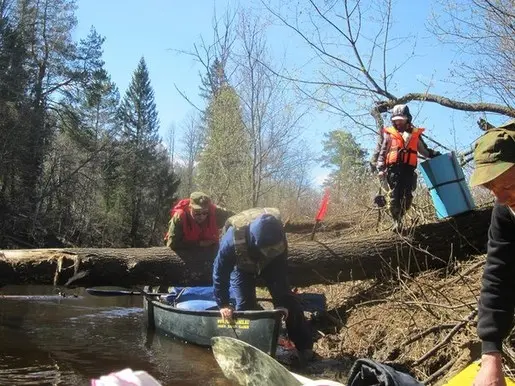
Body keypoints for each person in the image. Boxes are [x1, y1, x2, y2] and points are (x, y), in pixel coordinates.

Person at [212, 208, 314, 363]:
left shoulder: (278, 237)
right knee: (245, 306)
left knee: (289, 302)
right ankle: (254, 348)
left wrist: (282, 302)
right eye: (267, 249)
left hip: (272, 265)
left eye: (273, 248)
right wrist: (224, 303)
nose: (270, 251)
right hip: (241, 267)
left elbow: (281, 272)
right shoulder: (232, 239)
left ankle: (304, 347)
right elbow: (220, 271)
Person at [469, 126, 515, 386]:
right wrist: (490, 356)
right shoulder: (505, 211)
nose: (501, 198)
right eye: (491, 188)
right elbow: (498, 274)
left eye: (508, 185)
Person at [375, 104, 440, 230]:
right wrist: (380, 168)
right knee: (394, 196)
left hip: (409, 170)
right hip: (393, 170)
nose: (398, 122)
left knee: (407, 197)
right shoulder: (389, 135)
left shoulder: (414, 134)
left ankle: (401, 216)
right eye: (395, 120)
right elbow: (382, 153)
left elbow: (424, 151)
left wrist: (435, 155)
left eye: (401, 119)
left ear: (407, 119)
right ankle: (397, 221)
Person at [165, 192, 234, 250]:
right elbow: (172, 244)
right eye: (197, 212)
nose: (201, 216)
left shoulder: (216, 212)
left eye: (205, 213)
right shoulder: (179, 217)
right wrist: (199, 244)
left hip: (210, 254)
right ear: (189, 208)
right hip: (186, 255)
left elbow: (236, 218)